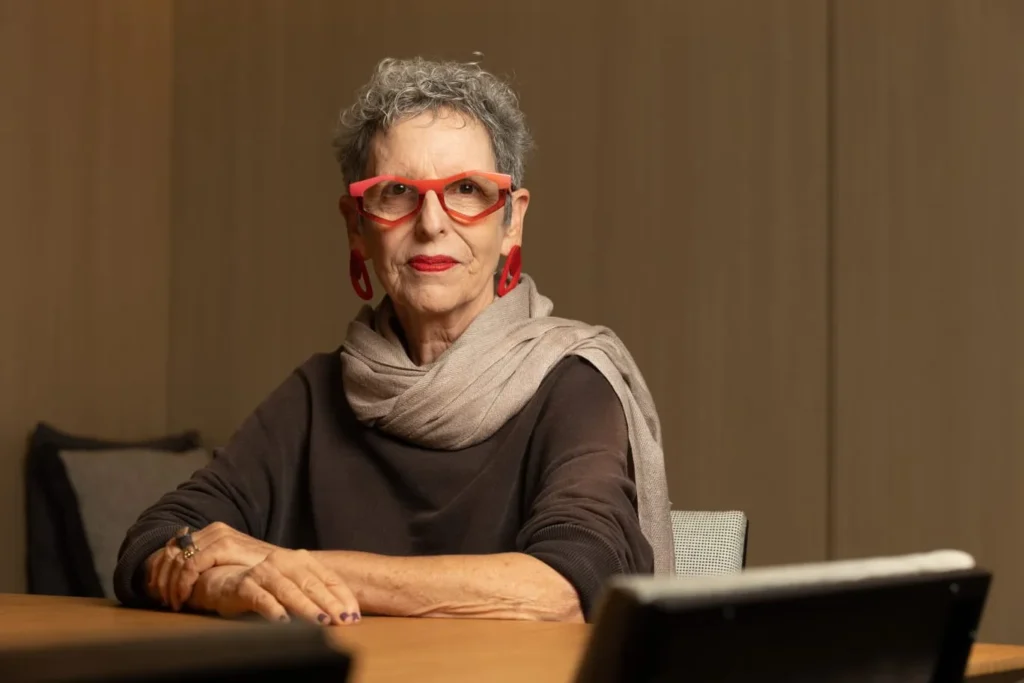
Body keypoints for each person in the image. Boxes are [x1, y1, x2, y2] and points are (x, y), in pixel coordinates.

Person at [113, 56, 674, 627]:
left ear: (511, 222)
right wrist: (223, 583)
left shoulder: (574, 384)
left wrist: (290, 567)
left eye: (467, 190)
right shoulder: (315, 396)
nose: (431, 223)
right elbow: (157, 539)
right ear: (356, 227)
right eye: (397, 192)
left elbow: (568, 590)